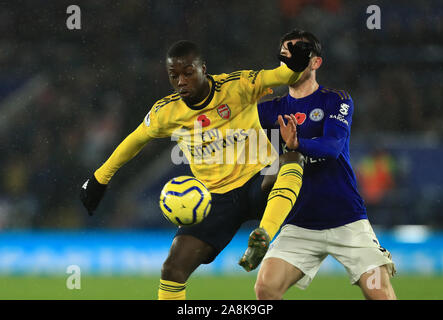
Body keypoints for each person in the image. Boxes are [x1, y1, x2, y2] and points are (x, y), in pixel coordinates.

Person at [80, 39, 312, 300]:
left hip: (258, 182)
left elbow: (282, 75)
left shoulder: (237, 86)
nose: (181, 81)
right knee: (172, 270)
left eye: (188, 73)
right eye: (174, 75)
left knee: (290, 158)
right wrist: (100, 178)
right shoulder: (166, 112)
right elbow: (134, 140)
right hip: (214, 200)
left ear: (203, 69)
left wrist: (297, 61)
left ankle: (263, 235)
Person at [254, 29, 397, 300]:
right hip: (299, 223)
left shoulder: (336, 100)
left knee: (380, 292)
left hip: (347, 219)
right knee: (265, 287)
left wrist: (296, 146)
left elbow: (332, 147)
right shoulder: (268, 111)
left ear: (315, 62)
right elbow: (235, 133)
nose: (290, 61)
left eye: (298, 54)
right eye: (285, 55)